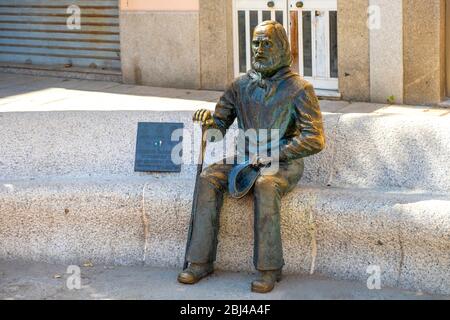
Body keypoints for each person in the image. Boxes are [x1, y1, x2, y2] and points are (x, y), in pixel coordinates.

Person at [177, 20, 325, 293]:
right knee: (208, 177)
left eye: (267, 43)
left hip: (283, 162)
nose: (259, 49)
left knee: (265, 184)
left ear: (282, 49)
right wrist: (209, 121)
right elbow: (218, 129)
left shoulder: (300, 89)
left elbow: (314, 138)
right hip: (245, 158)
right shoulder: (239, 86)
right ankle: (199, 261)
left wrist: (274, 155)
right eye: (256, 43)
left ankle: (269, 268)